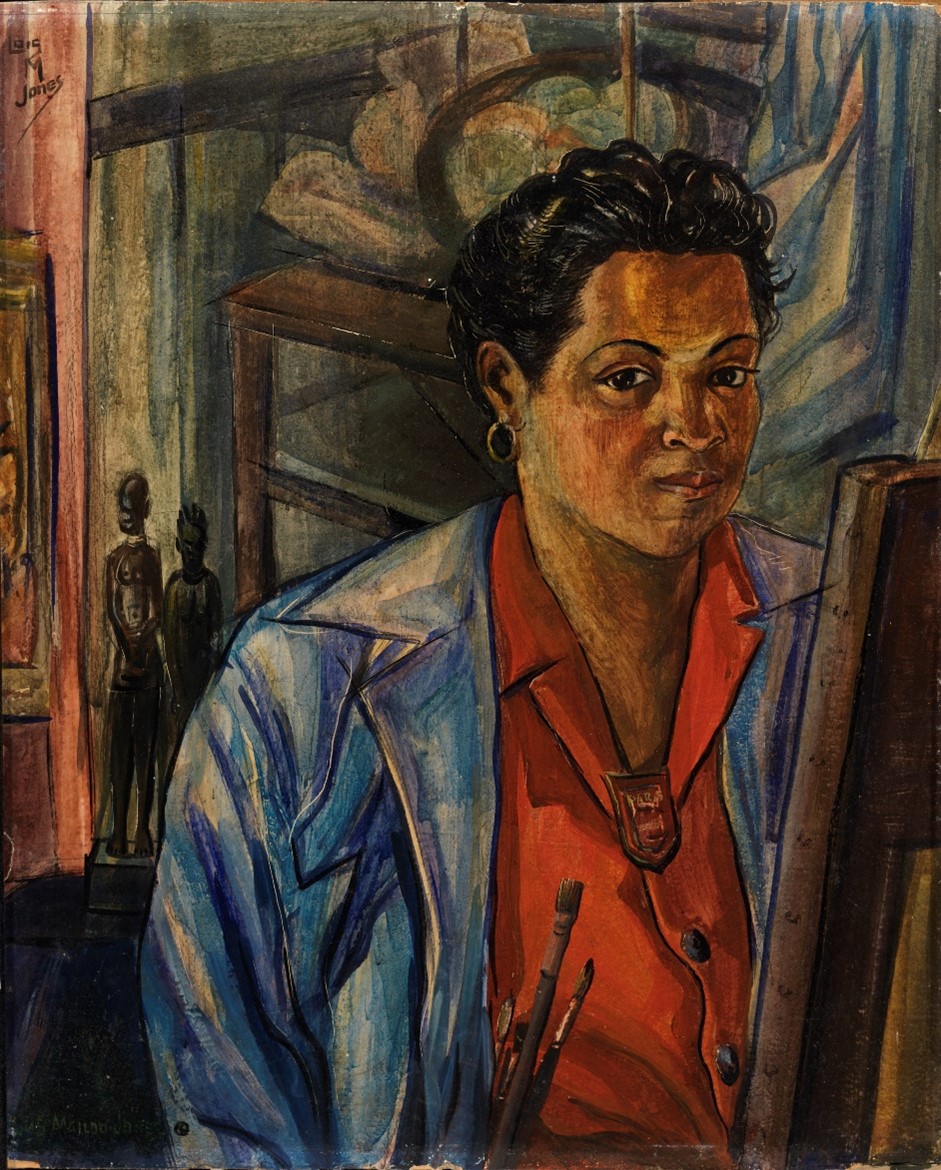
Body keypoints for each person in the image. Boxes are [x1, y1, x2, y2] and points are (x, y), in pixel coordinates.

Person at [141, 141, 822, 1169]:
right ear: (507, 387)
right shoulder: (303, 684)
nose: (694, 425)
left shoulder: (839, 633)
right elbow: (225, 1104)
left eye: (726, 374)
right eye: (627, 379)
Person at [105, 472, 163, 858]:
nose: (126, 515)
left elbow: (157, 608)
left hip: (149, 669)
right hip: (122, 671)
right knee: (120, 754)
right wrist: (128, 644)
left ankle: (142, 829)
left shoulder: (153, 557)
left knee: (145, 752)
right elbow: (111, 609)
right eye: (122, 509)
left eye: (132, 508)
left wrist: (145, 638)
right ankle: (118, 831)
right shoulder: (114, 559)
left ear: (146, 509)